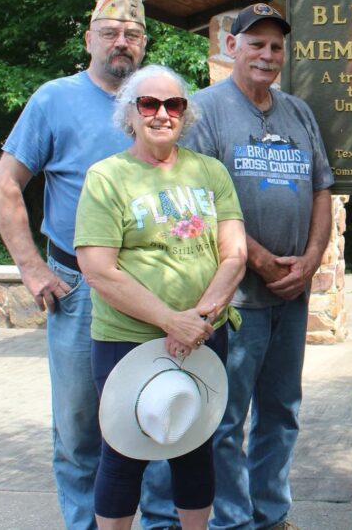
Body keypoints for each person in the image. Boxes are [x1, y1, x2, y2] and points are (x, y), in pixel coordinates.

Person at [0, 0, 148, 529]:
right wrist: (32, 270)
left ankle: (160, 522)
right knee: (81, 423)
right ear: (88, 40)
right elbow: (4, 186)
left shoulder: (161, 100)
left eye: (132, 34)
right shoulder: (54, 99)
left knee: (155, 412)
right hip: (79, 287)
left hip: (152, 290)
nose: (120, 42)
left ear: (144, 44)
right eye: (109, 33)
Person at [174, 2, 333, 530]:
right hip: (237, 301)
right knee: (225, 419)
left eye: (276, 46)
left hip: (292, 295)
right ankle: (234, 521)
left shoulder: (298, 112)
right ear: (232, 47)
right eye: (256, 43)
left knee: (282, 412)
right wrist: (261, 262)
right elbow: (202, 204)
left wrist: (310, 261)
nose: (267, 55)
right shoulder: (204, 111)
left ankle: (272, 515)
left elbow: (320, 190)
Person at [74, 64, 247, 529]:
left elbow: (234, 255)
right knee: (123, 452)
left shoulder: (210, 171)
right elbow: (99, 271)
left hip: (203, 333)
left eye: (174, 105)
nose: (162, 114)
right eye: (149, 104)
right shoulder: (107, 178)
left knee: (193, 443)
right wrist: (173, 321)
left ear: (186, 114)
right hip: (127, 340)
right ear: (130, 113)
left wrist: (197, 320)